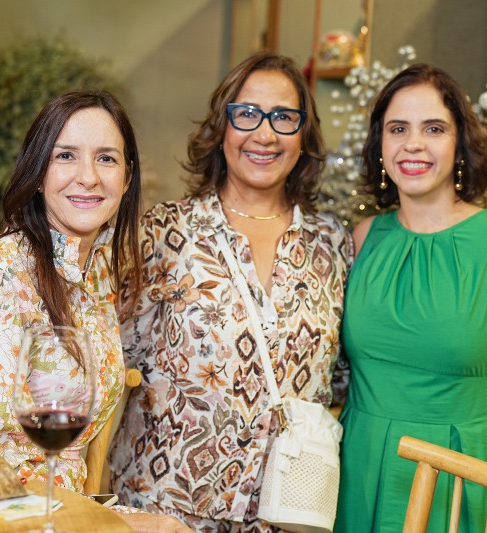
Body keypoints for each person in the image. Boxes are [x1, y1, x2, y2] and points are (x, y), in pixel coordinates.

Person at [0, 90, 190, 532]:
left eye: (107, 159)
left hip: (53, 503)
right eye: (67, 156)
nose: (88, 177)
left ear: (128, 177)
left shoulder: (96, 277)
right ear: (38, 174)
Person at [108, 51, 354, 532]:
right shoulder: (163, 233)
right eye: (247, 115)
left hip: (286, 514)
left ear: (304, 136)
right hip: (167, 512)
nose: (265, 134)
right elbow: (106, 358)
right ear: (222, 129)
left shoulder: (333, 245)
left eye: (284, 117)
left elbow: (342, 375)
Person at [334, 64, 487, 532]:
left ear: (459, 142)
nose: (413, 144)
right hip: (358, 472)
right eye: (397, 129)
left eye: (434, 129)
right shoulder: (364, 239)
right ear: (379, 144)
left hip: (463, 477)